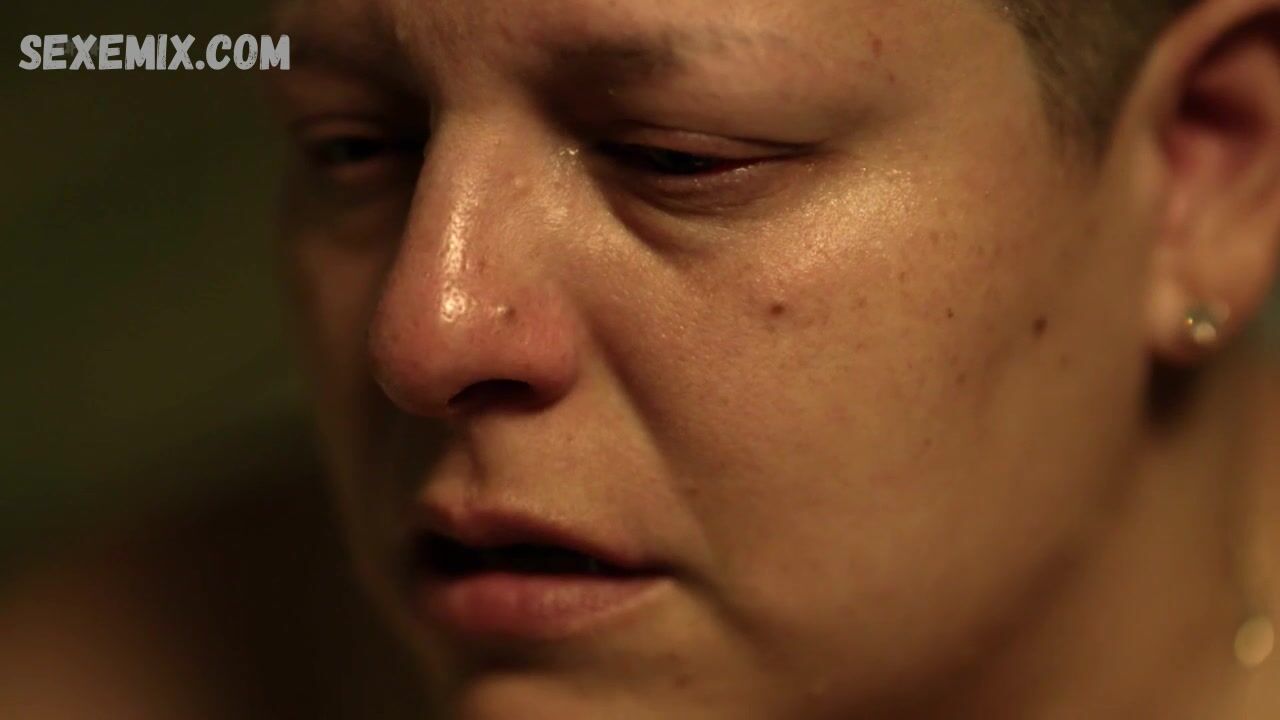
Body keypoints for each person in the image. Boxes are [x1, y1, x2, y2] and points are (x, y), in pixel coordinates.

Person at [269, 0, 1280, 717]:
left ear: (1203, 170)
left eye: (678, 155)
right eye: (352, 146)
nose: (424, 337)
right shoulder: (202, 647)